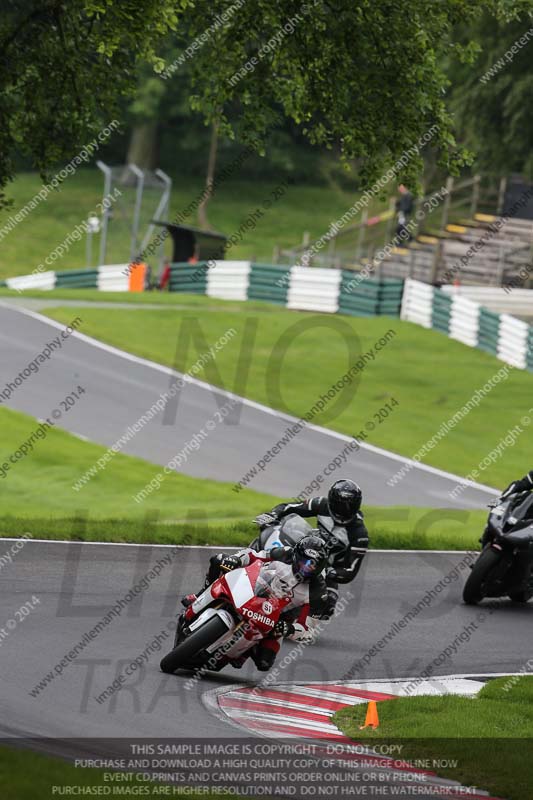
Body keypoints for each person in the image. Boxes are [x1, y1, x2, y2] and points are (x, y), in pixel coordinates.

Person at [182, 535, 332, 672]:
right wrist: (236, 559)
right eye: (303, 562)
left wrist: (288, 629)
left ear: (320, 566)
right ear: (296, 555)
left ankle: (242, 652)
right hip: (256, 588)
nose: (306, 568)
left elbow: (308, 631)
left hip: (277, 619)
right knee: (219, 559)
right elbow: (253, 554)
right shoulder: (284, 554)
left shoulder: (319, 593)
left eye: (312, 565)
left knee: (264, 663)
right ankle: (200, 595)